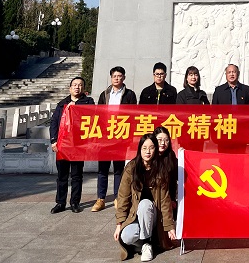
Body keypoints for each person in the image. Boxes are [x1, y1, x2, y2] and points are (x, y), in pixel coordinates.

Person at [114, 133, 176, 262]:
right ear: (139, 149)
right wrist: (119, 223)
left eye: (152, 148)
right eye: (144, 148)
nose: (148, 151)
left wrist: (170, 227)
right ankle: (146, 244)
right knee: (126, 237)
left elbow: (165, 200)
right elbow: (123, 197)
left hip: (153, 216)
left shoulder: (160, 169)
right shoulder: (131, 168)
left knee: (145, 204)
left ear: (155, 149)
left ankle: (147, 243)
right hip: (134, 216)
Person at [93, 66, 137, 213]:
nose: (117, 78)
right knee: (103, 169)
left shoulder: (130, 95)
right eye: (114, 76)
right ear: (111, 78)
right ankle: (101, 199)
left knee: (118, 169)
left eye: (119, 76)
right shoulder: (104, 94)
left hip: (120, 136)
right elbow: (98, 115)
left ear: (124, 78)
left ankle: (118, 198)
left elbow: (133, 115)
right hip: (105, 136)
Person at [49, 76, 95, 214]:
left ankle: (75, 202)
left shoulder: (88, 102)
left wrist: (77, 108)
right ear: (70, 88)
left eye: (80, 85)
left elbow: (92, 115)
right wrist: (53, 140)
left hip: (77, 146)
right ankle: (60, 202)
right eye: (74, 85)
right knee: (62, 176)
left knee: (76, 176)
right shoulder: (62, 104)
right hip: (63, 145)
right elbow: (54, 123)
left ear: (84, 88)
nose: (77, 87)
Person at [154, 125, 177, 206]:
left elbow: (174, 179)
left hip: (167, 198)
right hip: (152, 198)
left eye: (166, 140)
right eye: (159, 140)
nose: (163, 143)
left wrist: (173, 199)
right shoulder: (148, 155)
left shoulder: (171, 155)